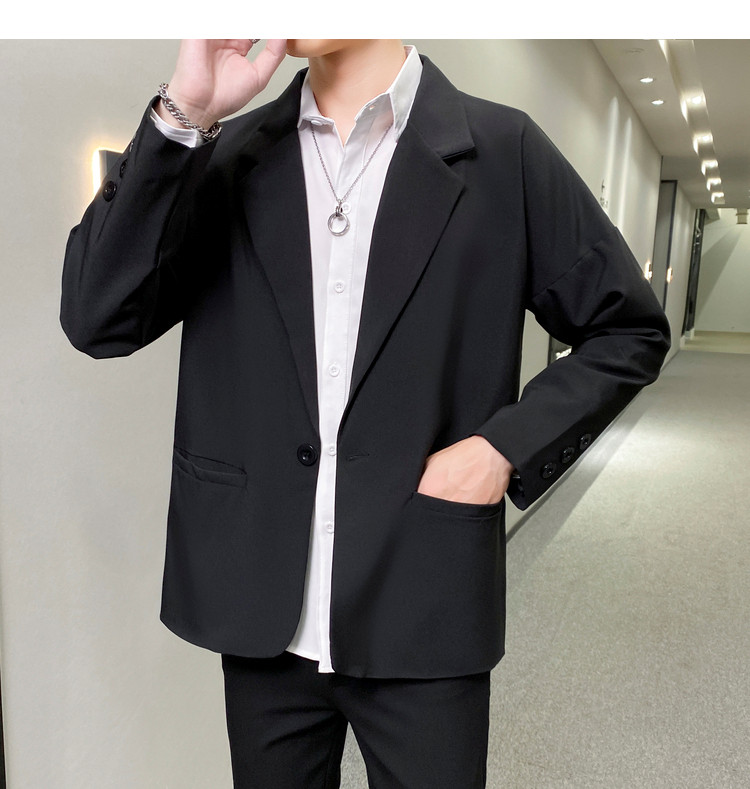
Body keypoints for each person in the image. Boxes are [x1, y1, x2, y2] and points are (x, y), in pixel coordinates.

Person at [61, 39, 670, 788]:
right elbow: (96, 316)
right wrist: (184, 114)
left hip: (422, 594)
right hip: (262, 606)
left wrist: (501, 448)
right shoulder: (229, 152)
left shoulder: (501, 150)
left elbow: (628, 329)